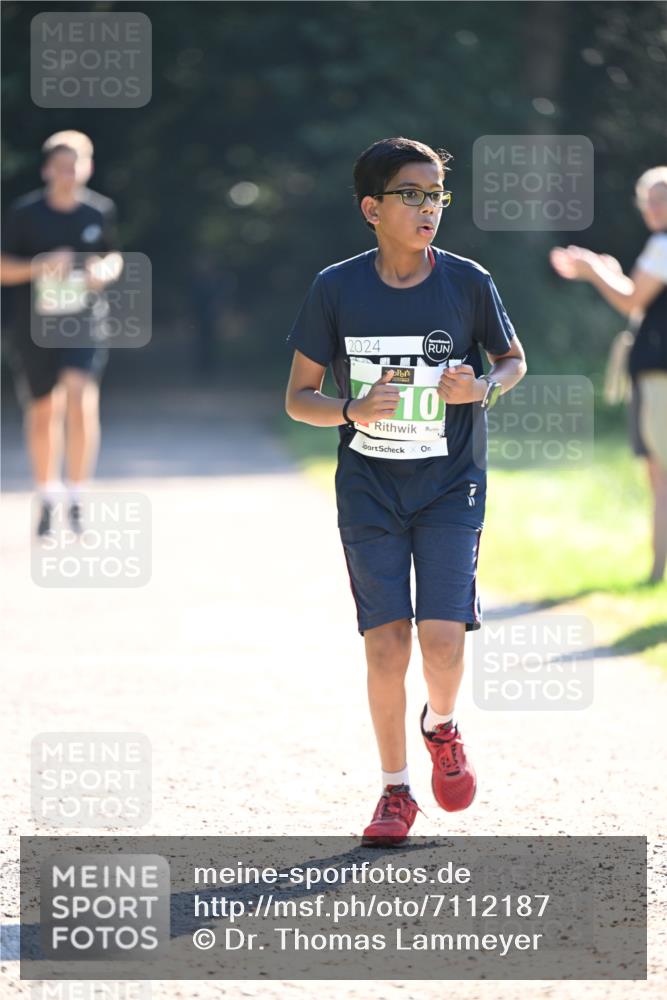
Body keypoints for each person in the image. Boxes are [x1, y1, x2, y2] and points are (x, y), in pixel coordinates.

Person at [285, 137, 526, 846]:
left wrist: (481, 386)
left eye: (436, 195)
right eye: (411, 194)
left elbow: (511, 360)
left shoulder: (467, 281)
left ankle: (441, 726)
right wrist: (351, 409)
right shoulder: (335, 288)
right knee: (387, 645)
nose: (428, 208)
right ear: (371, 207)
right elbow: (300, 398)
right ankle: (395, 791)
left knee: (443, 640)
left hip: (451, 486)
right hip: (369, 488)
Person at [550, 166, 667, 584]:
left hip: (659, 377)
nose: (653, 207)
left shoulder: (662, 244)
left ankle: (657, 574)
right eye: (648, 199)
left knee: (661, 474)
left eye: (661, 197)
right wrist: (603, 269)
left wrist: (591, 271)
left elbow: (632, 300)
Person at [1, 130, 121, 536]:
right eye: (63, 166)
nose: (70, 174)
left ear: (88, 167)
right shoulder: (25, 213)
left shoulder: (99, 211)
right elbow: (3, 268)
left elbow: (113, 257)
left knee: (79, 396)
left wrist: (102, 271)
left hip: (83, 321)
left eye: (78, 165)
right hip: (34, 326)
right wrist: (41, 265)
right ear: (47, 169)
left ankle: (77, 496)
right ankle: (47, 496)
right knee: (42, 411)